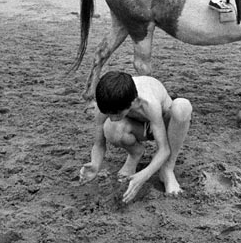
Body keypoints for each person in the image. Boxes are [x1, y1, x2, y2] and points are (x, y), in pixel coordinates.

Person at [80, 71, 192, 203]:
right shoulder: (106, 103)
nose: (112, 118)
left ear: (132, 102)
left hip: (165, 125)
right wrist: (95, 164)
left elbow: (164, 149)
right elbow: (99, 144)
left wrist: (143, 175)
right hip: (140, 126)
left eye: (116, 114)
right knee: (110, 128)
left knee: (182, 106)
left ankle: (167, 170)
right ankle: (135, 154)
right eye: (108, 113)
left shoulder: (148, 103)